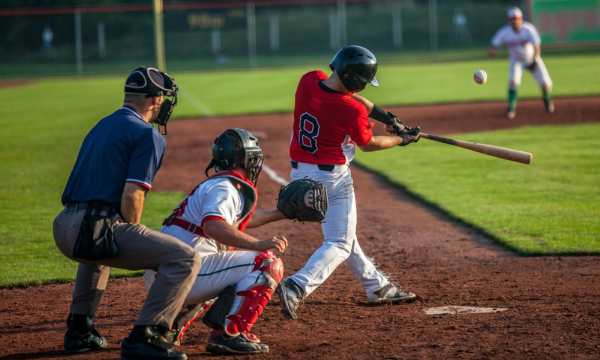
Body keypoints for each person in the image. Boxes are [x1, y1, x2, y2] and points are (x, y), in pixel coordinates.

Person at [53, 67, 200, 360]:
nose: (165, 103)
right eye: (163, 97)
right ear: (154, 100)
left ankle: (79, 330)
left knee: (98, 255)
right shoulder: (148, 135)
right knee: (185, 258)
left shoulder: (101, 125)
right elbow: (133, 193)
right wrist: (133, 231)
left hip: (64, 226)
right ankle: (147, 336)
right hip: (92, 229)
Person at [144, 128, 322, 354]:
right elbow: (214, 226)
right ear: (246, 159)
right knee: (265, 263)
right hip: (184, 273)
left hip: (167, 274)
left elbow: (231, 221)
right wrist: (258, 244)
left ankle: (169, 327)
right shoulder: (225, 188)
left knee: (224, 265)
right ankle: (229, 334)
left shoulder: (217, 185)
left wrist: (280, 213)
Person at [276, 45, 420, 320]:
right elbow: (369, 144)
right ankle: (297, 285)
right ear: (355, 80)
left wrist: (388, 118)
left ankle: (377, 287)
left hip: (299, 174)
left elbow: (354, 100)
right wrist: (402, 139)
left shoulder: (309, 79)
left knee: (343, 234)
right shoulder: (348, 110)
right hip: (332, 179)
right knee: (339, 242)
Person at [488, 6, 555, 119]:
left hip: (533, 58)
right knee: (513, 83)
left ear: (521, 18)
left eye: (516, 18)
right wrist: (492, 51)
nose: (515, 20)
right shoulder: (505, 32)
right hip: (516, 61)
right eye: (512, 18)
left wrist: (535, 59)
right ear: (509, 20)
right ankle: (511, 109)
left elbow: (537, 46)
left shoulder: (528, 29)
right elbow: (494, 45)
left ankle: (547, 101)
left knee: (545, 84)